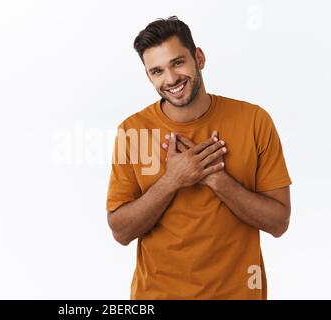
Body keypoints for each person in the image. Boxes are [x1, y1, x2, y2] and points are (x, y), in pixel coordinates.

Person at [105, 16, 292, 299]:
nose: (170, 79)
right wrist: (172, 180)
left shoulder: (254, 121)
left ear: (199, 58)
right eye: (157, 71)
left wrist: (216, 179)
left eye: (178, 63)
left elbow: (278, 223)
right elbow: (120, 232)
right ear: (148, 76)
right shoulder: (133, 132)